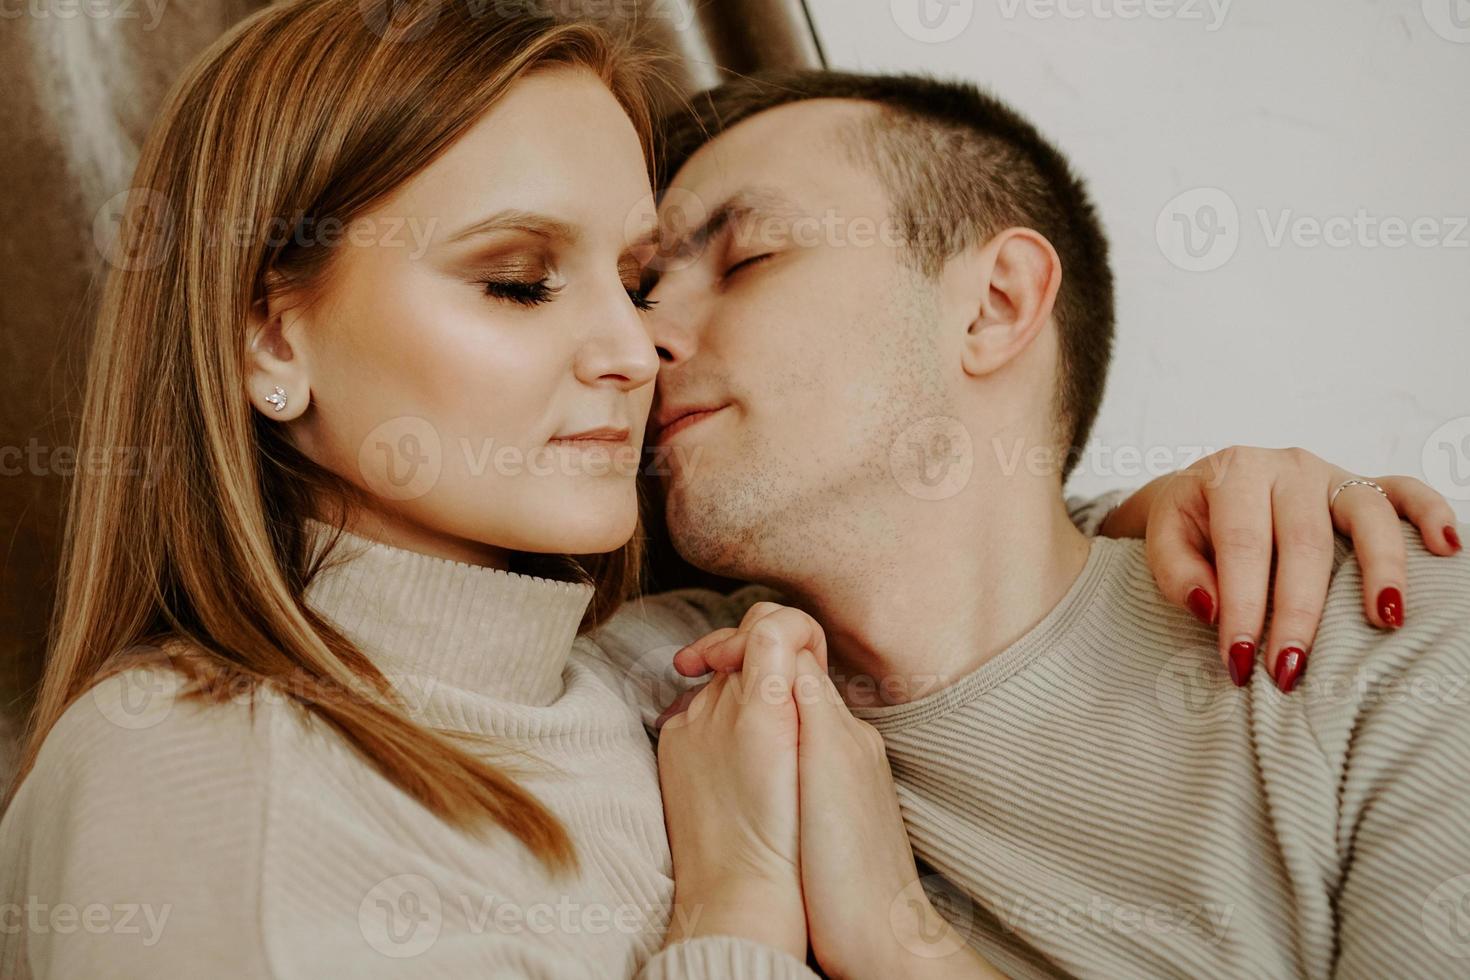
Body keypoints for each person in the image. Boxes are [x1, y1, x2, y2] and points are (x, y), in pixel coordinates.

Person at [0, 5, 1452, 977]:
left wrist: (1160, 510)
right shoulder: (626, 695)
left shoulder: (1363, 641)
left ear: (997, 303)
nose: (641, 344)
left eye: (728, 262)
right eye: (522, 281)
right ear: (267, 335)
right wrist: (743, 917)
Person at [593, 70, 1470, 978]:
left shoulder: (1382, 631)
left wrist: (901, 944)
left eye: (748, 259)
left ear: (997, 304)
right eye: (644, 288)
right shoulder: (648, 693)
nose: (641, 339)